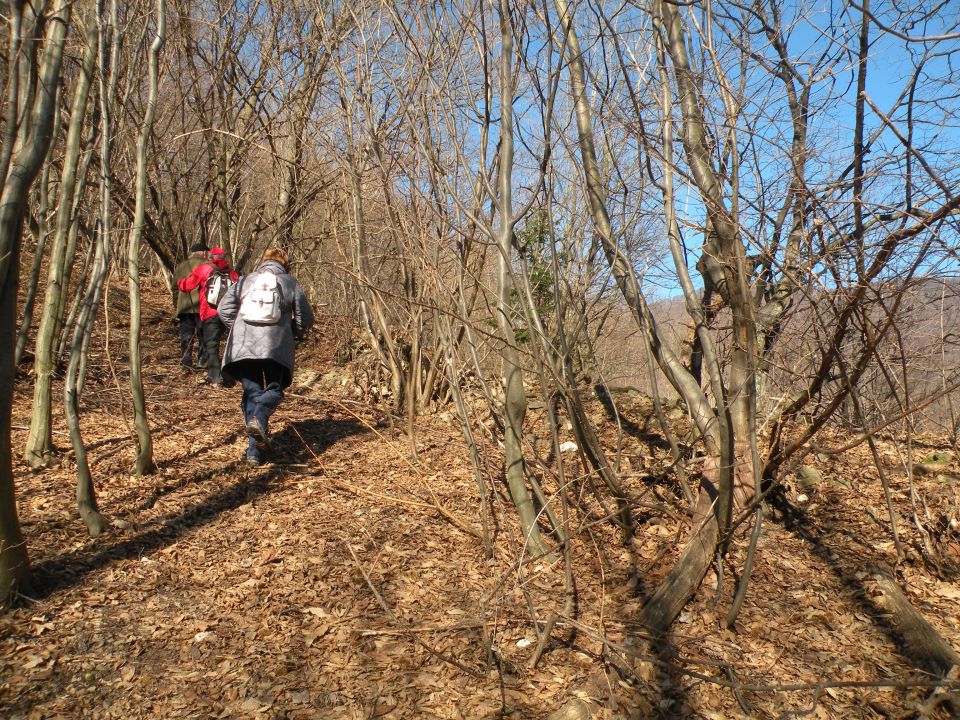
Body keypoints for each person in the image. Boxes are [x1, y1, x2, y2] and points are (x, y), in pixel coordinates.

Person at [217, 247, 315, 466]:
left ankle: (253, 453)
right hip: (275, 347)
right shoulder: (289, 283)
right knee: (273, 390)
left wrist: (241, 329)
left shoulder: (244, 281)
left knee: (252, 392)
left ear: (263, 261)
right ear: (284, 263)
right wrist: (291, 332)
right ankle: (258, 421)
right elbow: (306, 318)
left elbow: (224, 309)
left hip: (244, 346)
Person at [177, 247, 239, 385]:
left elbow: (187, 286)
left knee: (211, 345)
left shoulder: (204, 269)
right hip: (229, 314)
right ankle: (228, 375)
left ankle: (215, 377)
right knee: (229, 345)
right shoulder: (232, 273)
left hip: (209, 312)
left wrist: (180, 283)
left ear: (211, 257)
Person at [173, 243, 208, 372]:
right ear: (204, 253)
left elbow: (174, 287)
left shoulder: (182, 265)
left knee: (186, 335)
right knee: (203, 335)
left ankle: (186, 363)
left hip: (184, 308)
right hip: (203, 306)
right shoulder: (207, 265)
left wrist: (176, 304)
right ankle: (202, 361)